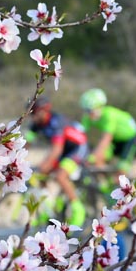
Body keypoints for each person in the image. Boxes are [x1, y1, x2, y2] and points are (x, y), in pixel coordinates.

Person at [26, 97, 88, 226]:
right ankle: (48, 208)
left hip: (77, 147)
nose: (33, 116)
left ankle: (78, 209)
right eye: (30, 113)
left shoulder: (56, 122)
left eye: (34, 112)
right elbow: (26, 144)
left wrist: (44, 165)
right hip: (64, 149)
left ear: (44, 111)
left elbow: (56, 150)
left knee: (60, 175)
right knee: (43, 175)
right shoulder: (36, 124)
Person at [78, 88, 136, 179]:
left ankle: (121, 186)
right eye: (86, 111)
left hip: (129, 139)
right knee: (98, 160)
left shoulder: (109, 115)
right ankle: (103, 185)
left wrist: (92, 156)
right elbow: (79, 135)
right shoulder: (87, 117)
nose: (88, 114)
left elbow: (105, 140)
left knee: (121, 170)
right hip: (115, 140)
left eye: (90, 111)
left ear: (100, 107)